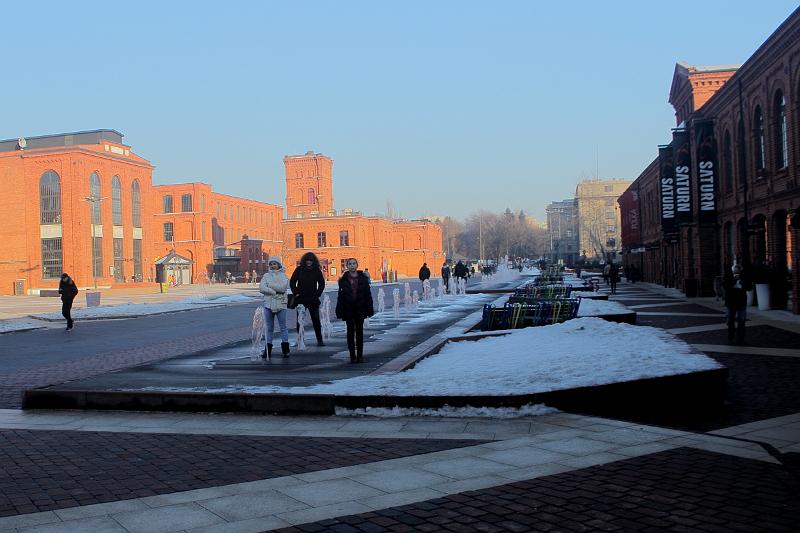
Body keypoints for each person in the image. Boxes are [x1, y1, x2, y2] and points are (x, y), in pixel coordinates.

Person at [335, 258, 374, 363]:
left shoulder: (363, 279)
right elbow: (340, 297)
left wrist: (369, 309)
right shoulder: (343, 280)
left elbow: (368, 295)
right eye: (350, 264)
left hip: (360, 308)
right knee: (350, 333)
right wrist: (339, 310)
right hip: (348, 309)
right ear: (347, 266)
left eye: (353, 264)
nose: (352, 266)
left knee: (360, 333)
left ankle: (360, 355)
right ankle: (352, 355)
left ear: (357, 265)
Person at [290, 251, 326, 346]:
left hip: (313, 299)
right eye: (307, 260)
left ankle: (319, 339)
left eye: (310, 260)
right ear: (304, 261)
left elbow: (322, 283)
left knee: (316, 320)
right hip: (301, 298)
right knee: (299, 321)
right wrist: (295, 293)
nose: (309, 262)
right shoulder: (299, 269)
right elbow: (292, 281)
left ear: (313, 261)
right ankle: (300, 339)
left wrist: (318, 293)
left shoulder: (316, 270)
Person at [259, 257, 291, 358]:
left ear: (279, 265)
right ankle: (267, 349)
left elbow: (283, 288)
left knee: (283, 327)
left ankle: (285, 349)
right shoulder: (266, 276)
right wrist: (273, 291)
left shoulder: (284, 276)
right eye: (271, 264)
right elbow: (261, 288)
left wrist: (270, 286)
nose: (273, 266)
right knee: (269, 328)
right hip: (268, 304)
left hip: (281, 304)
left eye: (274, 264)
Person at [723, 259, 751, 344]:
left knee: (741, 321)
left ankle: (740, 339)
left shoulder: (744, 277)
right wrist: (734, 280)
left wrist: (742, 282)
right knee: (730, 320)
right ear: (732, 271)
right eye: (735, 272)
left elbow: (749, 288)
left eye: (738, 272)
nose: (736, 274)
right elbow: (725, 286)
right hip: (731, 302)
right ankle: (731, 336)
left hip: (741, 302)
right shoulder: (728, 276)